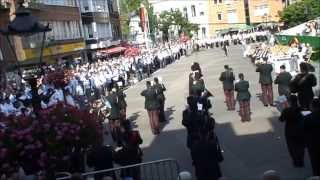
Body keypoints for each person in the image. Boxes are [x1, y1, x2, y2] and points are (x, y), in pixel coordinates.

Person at [279, 95, 305, 167]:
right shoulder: (300, 108)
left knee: (292, 146)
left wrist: (284, 110)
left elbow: (281, 119)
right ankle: (301, 160)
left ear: (289, 101)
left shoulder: (287, 110)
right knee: (300, 145)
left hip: (290, 130)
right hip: (300, 129)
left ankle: (295, 161)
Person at [304, 98, 320, 176]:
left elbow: (304, 130)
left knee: (315, 161)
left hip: (313, 143)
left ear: (313, 107)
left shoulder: (308, 118)